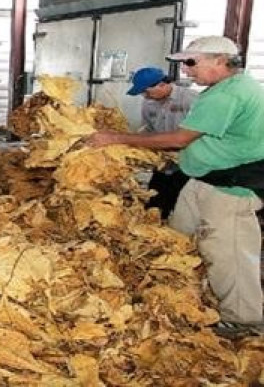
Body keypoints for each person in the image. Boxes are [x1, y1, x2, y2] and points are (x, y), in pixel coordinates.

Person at [89, 36, 264, 338]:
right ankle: (188, 295)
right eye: (184, 63)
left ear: (221, 61)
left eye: (192, 62)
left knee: (229, 251)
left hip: (229, 187)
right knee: (178, 237)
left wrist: (115, 138)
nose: (185, 70)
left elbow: (180, 138)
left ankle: (245, 320)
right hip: (202, 180)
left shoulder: (228, 94)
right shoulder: (221, 90)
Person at [127, 66, 198, 219]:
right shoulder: (148, 104)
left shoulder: (191, 99)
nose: (144, 96)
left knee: (182, 209)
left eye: (146, 91)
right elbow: (148, 132)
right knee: (154, 205)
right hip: (163, 165)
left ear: (162, 84)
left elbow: (199, 134)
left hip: (188, 165)